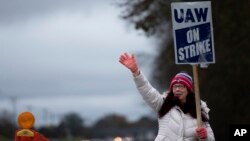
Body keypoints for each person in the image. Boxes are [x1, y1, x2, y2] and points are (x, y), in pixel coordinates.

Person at [119, 52, 215, 141]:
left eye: (181, 86)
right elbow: (147, 90)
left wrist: (205, 137)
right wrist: (136, 72)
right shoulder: (163, 104)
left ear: (188, 90)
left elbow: (211, 139)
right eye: (174, 87)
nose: (177, 89)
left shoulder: (199, 111)